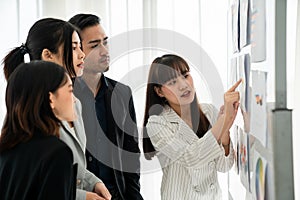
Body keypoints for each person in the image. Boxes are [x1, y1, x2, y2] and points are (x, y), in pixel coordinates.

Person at [2, 18, 111, 200]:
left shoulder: (75, 102)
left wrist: (94, 183)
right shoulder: (28, 108)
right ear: (48, 55)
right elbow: (30, 182)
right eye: (74, 47)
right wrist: (85, 197)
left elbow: (75, 166)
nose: (82, 54)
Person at [143, 54, 241, 199]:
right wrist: (223, 121)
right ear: (159, 91)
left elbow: (224, 166)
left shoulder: (209, 112)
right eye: (172, 82)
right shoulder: (157, 123)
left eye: (185, 75)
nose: (183, 85)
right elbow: (191, 158)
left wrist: (225, 128)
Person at [69, 14, 143, 200]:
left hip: (117, 195)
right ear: (77, 50)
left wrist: (134, 196)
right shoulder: (65, 96)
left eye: (105, 42)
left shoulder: (122, 93)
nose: (104, 51)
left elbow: (131, 153)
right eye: (95, 45)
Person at [0, 61, 77, 200]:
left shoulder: (5, 149)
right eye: (70, 90)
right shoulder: (57, 153)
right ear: (51, 98)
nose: (75, 100)